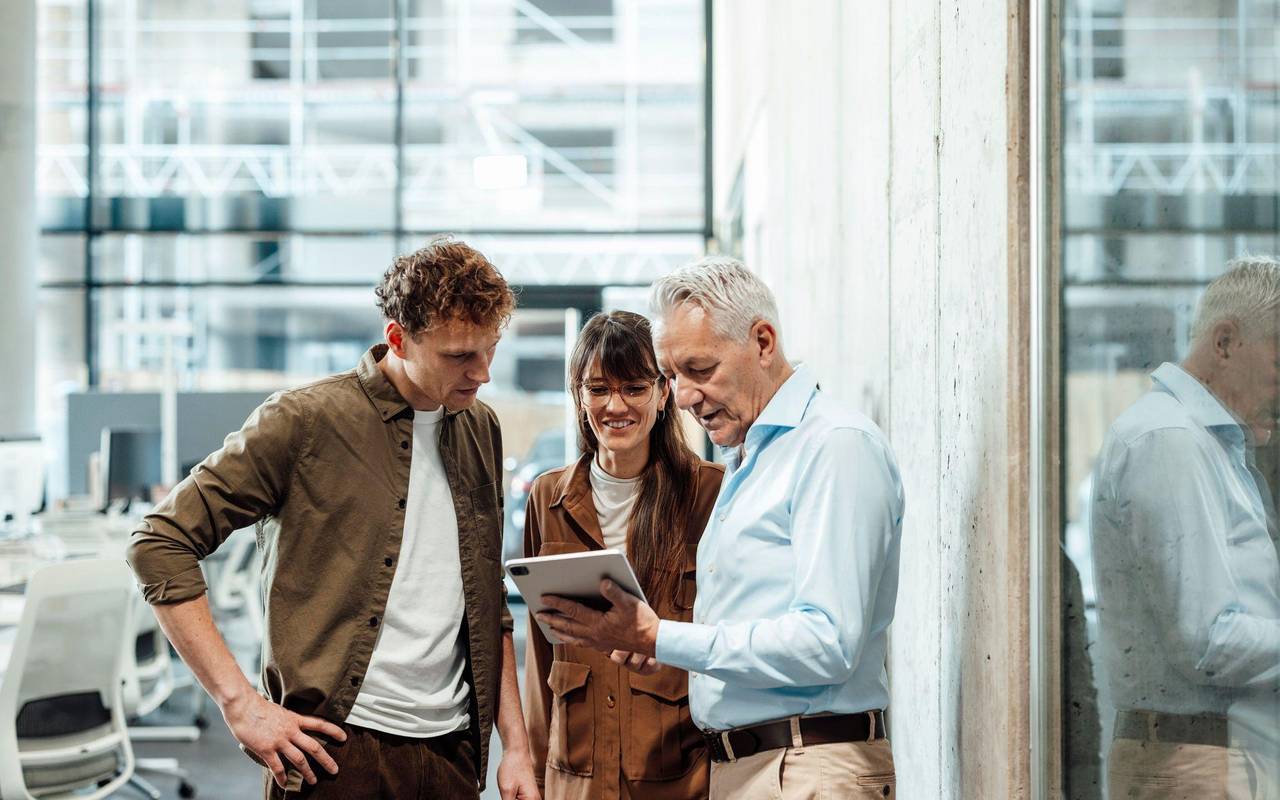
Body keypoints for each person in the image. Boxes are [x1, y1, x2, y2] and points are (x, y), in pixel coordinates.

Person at [126, 237, 541, 800]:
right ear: (398, 337)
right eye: (459, 356)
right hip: (337, 753)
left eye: (490, 348)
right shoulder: (304, 420)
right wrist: (239, 703)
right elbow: (159, 542)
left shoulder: (479, 428)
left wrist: (515, 745)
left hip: (450, 753)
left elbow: (489, 603)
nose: (483, 372)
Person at [536, 257, 904, 800]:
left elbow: (829, 641)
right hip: (753, 768)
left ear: (762, 342)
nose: (682, 396)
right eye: (672, 375)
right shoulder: (750, 460)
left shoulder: (834, 447)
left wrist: (661, 636)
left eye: (699, 369)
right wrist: (666, 646)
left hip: (805, 769)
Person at [1090, 257, 1280, 799]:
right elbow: (1209, 642)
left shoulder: (1205, 444)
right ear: (1224, 343)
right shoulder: (1170, 441)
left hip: (1216, 757)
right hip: (1198, 764)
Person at [522, 311, 723, 800]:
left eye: (633, 387)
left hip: (681, 779)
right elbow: (539, 650)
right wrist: (530, 766)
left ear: (662, 393)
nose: (616, 406)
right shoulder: (547, 499)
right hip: (575, 780)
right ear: (578, 396)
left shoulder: (710, 495)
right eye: (598, 389)